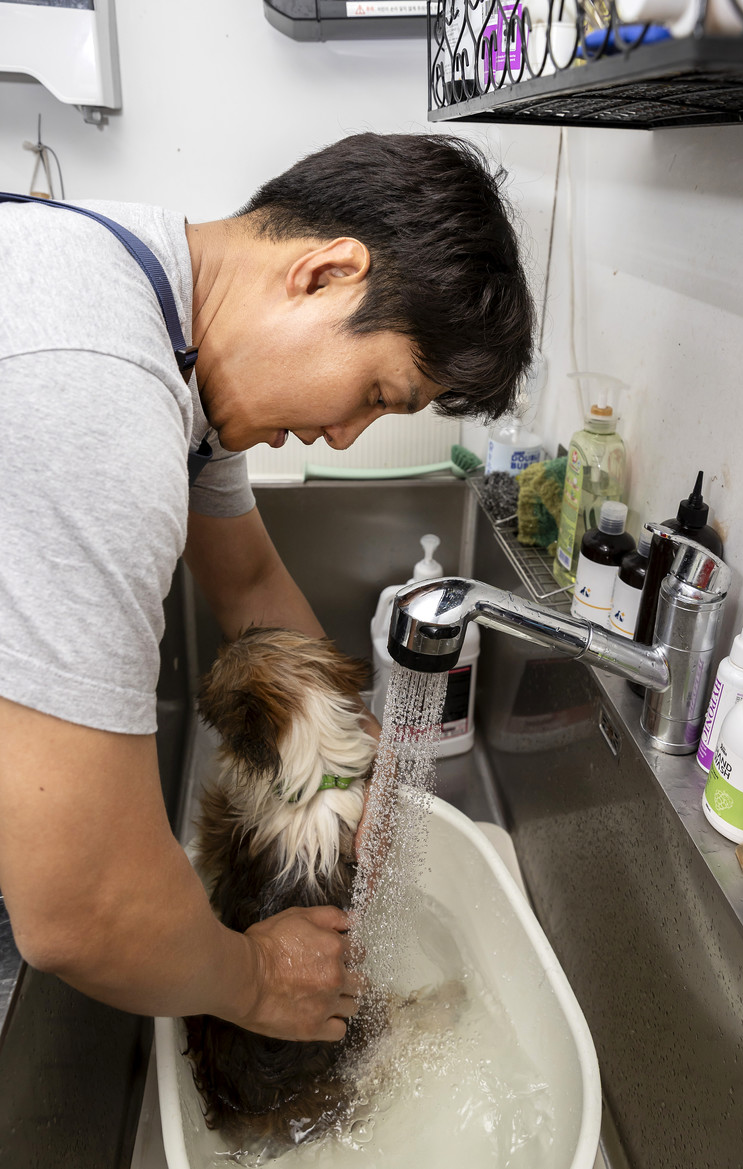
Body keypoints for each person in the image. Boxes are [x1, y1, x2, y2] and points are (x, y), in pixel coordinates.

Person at [0, 132, 535, 1043]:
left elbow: (249, 584)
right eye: (378, 393)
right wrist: (254, 979)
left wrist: (351, 756)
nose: (344, 436)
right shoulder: (98, 395)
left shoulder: (158, 320)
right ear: (325, 274)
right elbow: (79, 911)